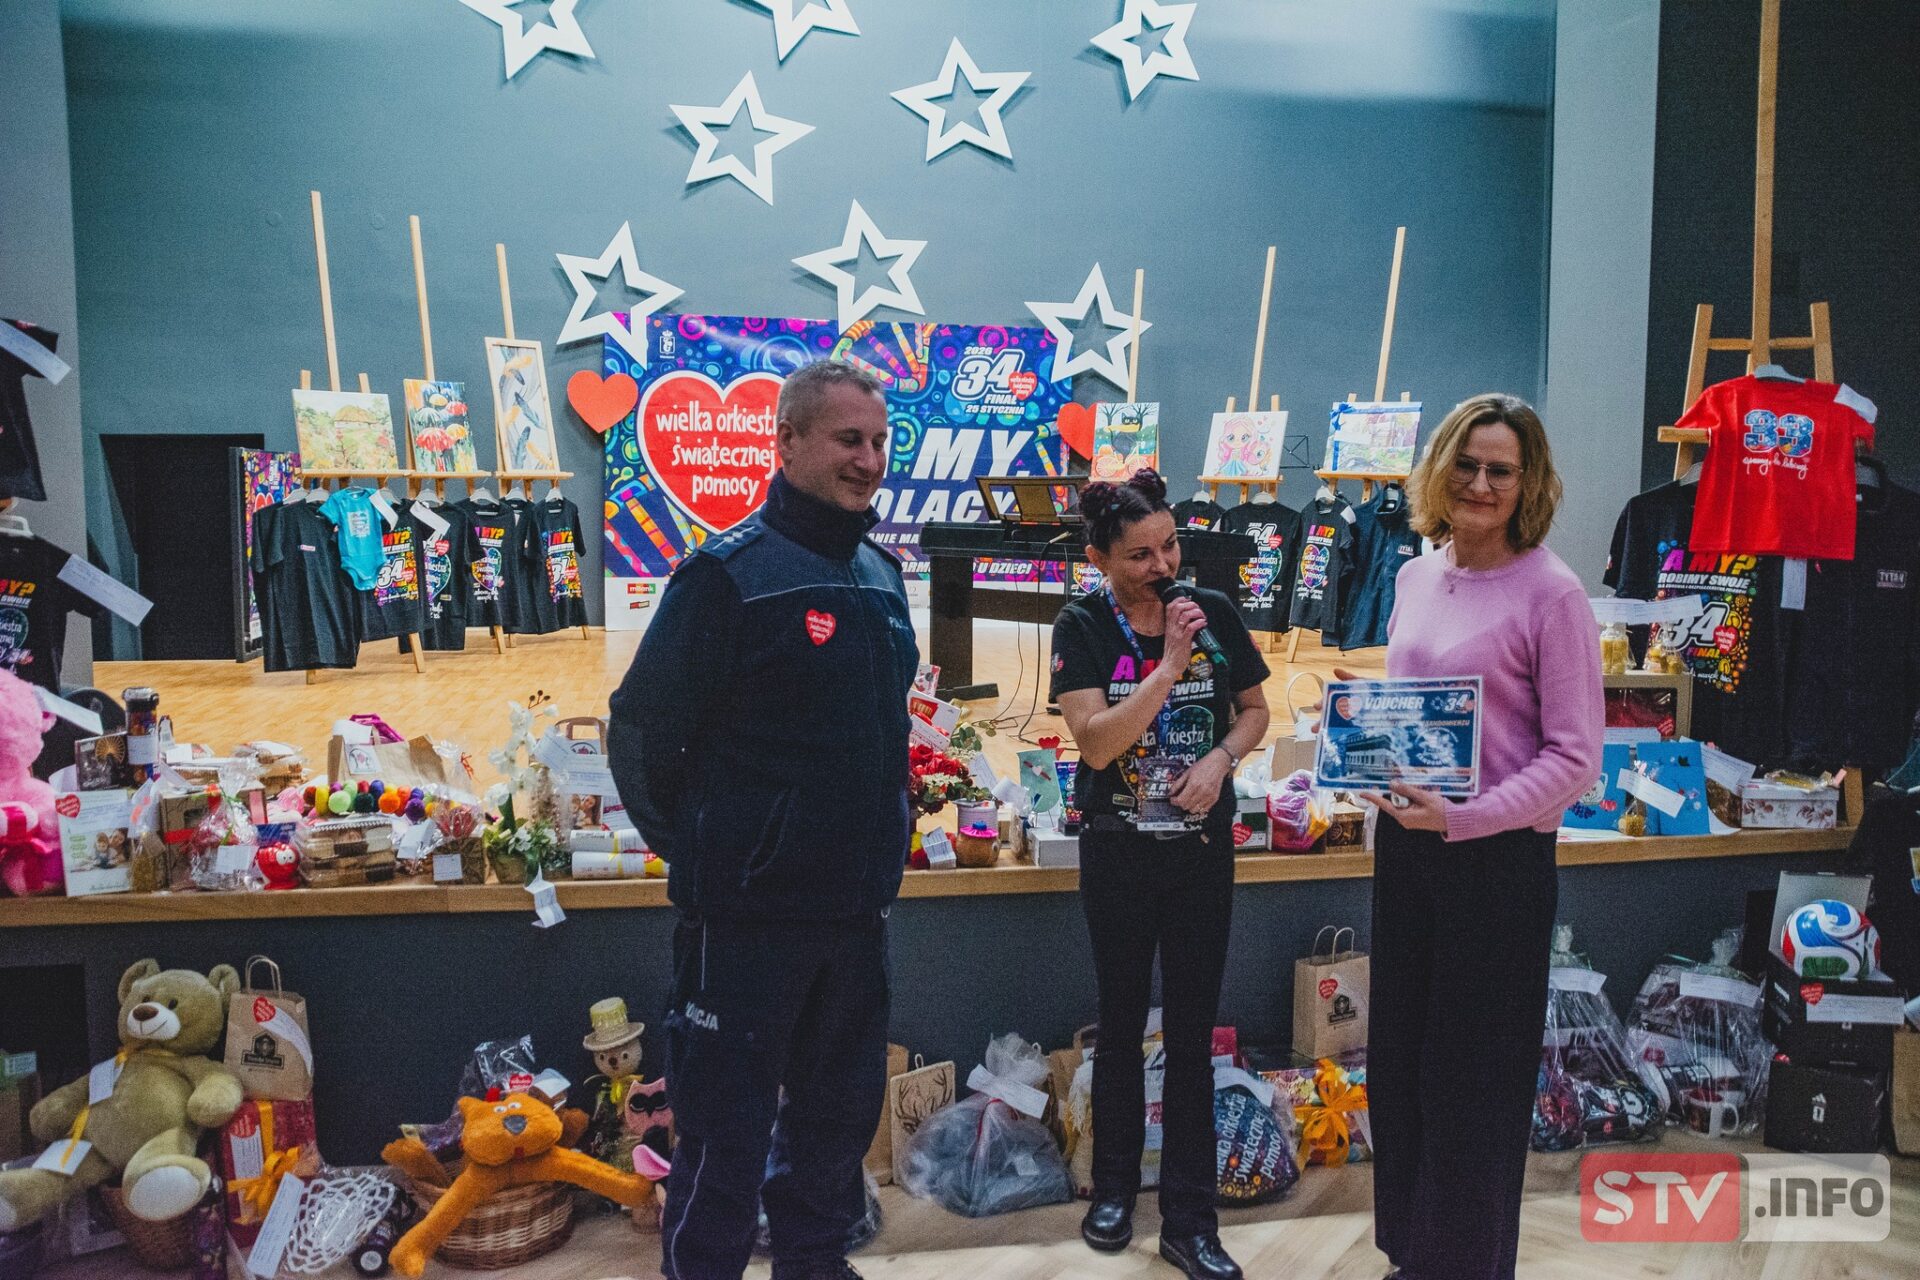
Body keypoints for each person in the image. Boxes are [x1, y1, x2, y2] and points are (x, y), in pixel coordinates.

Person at [607, 361, 918, 1280]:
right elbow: (642, 735)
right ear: (786, 443)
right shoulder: (725, 577)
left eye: (879, 441)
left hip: (857, 920)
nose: (869, 460)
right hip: (745, 930)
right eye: (848, 439)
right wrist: (717, 854)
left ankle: (814, 1268)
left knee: (833, 1133)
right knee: (721, 1144)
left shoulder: (881, 574)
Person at [1353, 394, 1603, 1280]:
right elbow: (1416, 712)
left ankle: (1464, 1265)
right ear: (1439, 469)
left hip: (1497, 865)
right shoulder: (1416, 576)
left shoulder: (1554, 593)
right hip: (1408, 853)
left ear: (1529, 484)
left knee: (1473, 1086)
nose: (1481, 483)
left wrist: (1466, 817)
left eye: (1502, 470)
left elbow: (1575, 758)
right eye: (1466, 463)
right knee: (1400, 1068)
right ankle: (1411, 1254)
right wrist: (1363, 746)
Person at [1049, 469, 1272, 1280]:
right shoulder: (1081, 623)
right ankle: (1112, 1190)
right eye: (1140, 554)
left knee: (1191, 1033)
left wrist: (1220, 759)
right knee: (1118, 1024)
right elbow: (1097, 743)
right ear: (1100, 558)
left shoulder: (1213, 611)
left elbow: (1256, 711)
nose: (1163, 565)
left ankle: (1190, 1218)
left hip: (1200, 854)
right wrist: (1169, 665)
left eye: (1170, 546)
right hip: (1118, 851)